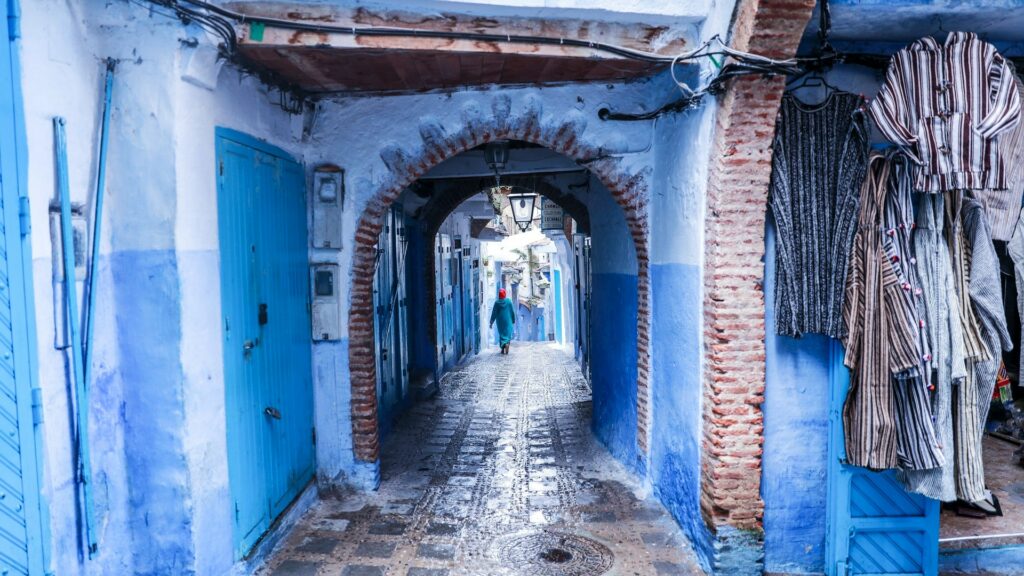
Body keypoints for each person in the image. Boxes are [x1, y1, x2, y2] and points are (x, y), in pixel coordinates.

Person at [489, 288, 516, 355]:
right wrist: (513, 320)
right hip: (508, 321)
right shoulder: (508, 301)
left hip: (500, 321)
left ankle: (502, 348)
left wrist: (491, 322)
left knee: (502, 334)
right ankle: (507, 343)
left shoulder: (497, 303)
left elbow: (494, 313)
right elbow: (512, 311)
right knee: (507, 333)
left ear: (499, 295)